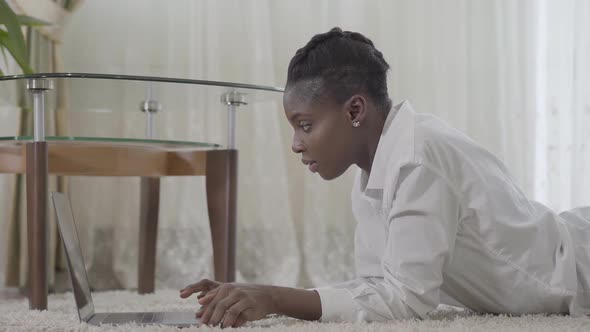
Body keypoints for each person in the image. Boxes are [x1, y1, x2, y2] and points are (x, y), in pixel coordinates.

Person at [179, 27, 590, 328]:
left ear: (355, 111)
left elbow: (406, 301)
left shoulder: (417, 158)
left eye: (305, 125)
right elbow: (376, 287)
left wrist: (271, 297)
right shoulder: (372, 174)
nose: (296, 144)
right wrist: (253, 291)